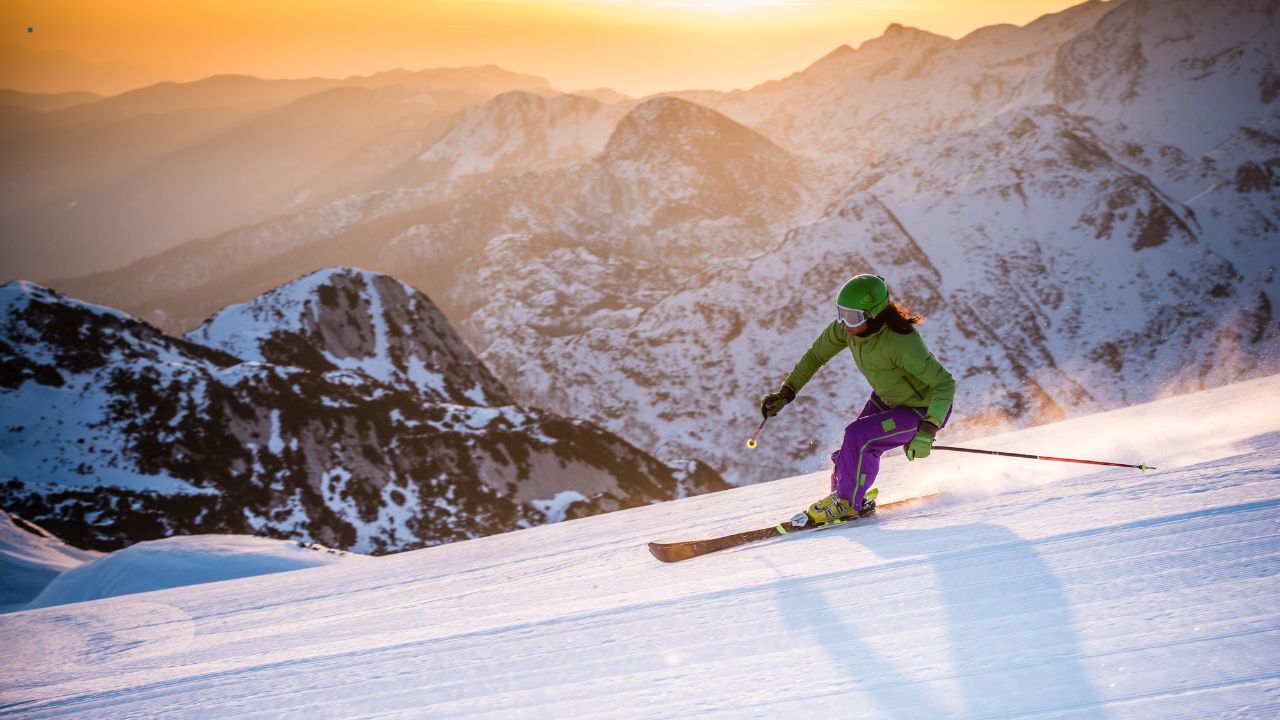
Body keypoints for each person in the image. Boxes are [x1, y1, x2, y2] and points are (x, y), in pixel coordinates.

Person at [760, 274, 955, 526]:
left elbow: (945, 383)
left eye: (852, 317)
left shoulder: (901, 342)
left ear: (873, 315)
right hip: (888, 399)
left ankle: (846, 502)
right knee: (848, 453)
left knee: (858, 435)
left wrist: (928, 429)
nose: (844, 323)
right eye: (841, 313)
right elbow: (814, 357)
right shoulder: (847, 330)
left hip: (922, 409)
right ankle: (846, 498)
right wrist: (787, 392)